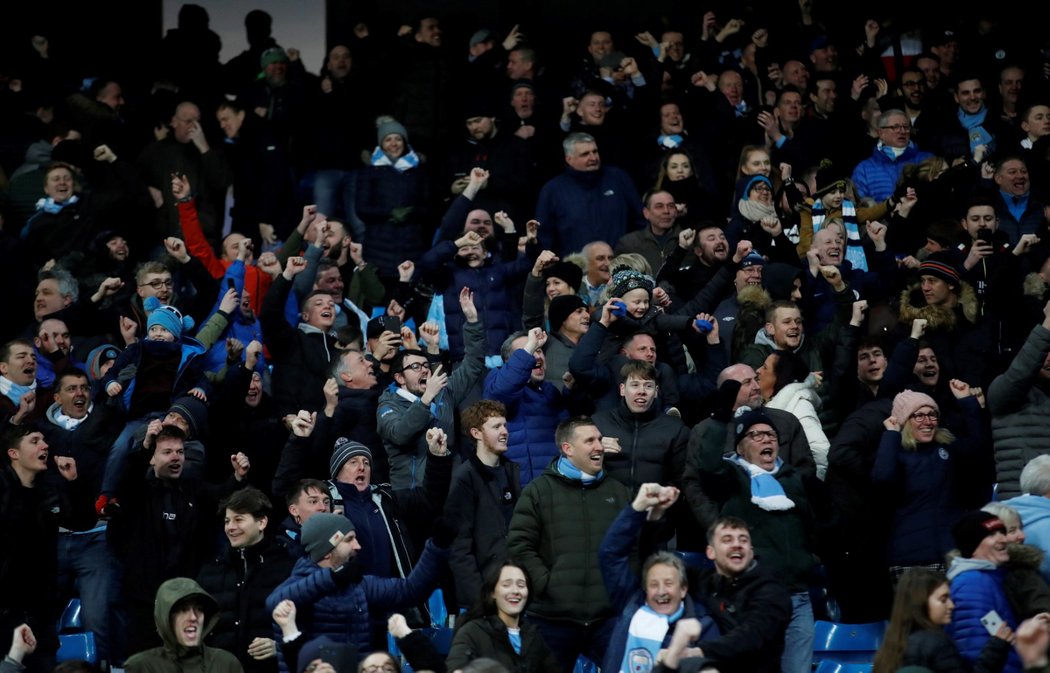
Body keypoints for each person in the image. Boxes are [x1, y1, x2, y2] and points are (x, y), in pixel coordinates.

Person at [506, 417, 631, 673]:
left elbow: (634, 546)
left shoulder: (618, 492)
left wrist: (623, 589)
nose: (599, 446)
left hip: (607, 618)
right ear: (567, 449)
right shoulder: (538, 491)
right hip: (552, 619)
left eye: (599, 439)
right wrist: (546, 584)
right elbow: (519, 545)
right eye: (590, 441)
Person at [264, 512, 452, 657]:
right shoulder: (297, 583)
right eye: (349, 539)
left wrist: (437, 548)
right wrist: (333, 578)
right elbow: (275, 603)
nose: (358, 546)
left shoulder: (358, 584)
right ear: (327, 550)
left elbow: (409, 591)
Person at [599, 485, 716, 673]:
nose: (661, 591)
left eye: (669, 583)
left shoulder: (702, 626)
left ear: (684, 589)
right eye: (654, 584)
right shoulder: (631, 604)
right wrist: (637, 508)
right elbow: (610, 554)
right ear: (645, 589)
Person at [196, 487, 296, 673]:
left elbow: (308, 625)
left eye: (238, 519)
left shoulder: (287, 569)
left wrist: (279, 646)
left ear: (262, 522)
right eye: (227, 521)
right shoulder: (211, 570)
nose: (230, 527)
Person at [871, 567, 1013, 673]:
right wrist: (996, 648)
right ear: (920, 602)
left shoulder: (891, 646)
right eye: (943, 599)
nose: (952, 605)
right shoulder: (937, 643)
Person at [535, 132, 644, 256]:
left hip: (619, 264)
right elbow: (544, 238)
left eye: (595, 151)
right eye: (585, 154)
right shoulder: (552, 190)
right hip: (575, 269)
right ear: (569, 159)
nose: (593, 158)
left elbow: (641, 221)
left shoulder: (618, 179)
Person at [946, 511, 1024, 673]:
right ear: (972, 546)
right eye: (991, 534)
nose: (1003, 539)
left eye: (1002, 532)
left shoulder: (991, 577)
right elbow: (974, 650)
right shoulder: (972, 584)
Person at [445, 564, 559, 673]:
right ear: (492, 593)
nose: (515, 591)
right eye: (506, 585)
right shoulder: (472, 632)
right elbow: (456, 668)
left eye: (521, 585)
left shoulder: (534, 636)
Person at [124, 577, 243, 673]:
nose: (193, 617)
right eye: (183, 610)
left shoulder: (226, 664)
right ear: (166, 618)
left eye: (199, 609)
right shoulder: (141, 667)